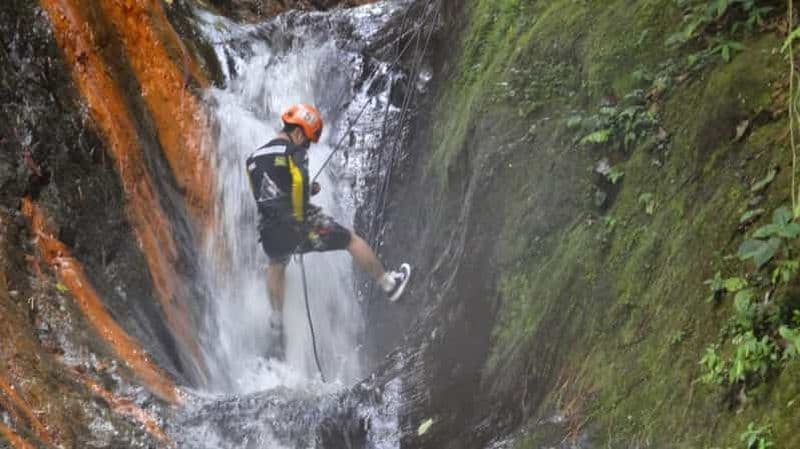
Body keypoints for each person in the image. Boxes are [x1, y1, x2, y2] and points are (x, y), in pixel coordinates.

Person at [246, 103, 411, 359]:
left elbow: (266, 194)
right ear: (299, 132)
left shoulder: (253, 158)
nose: (306, 147)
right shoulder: (294, 151)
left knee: (276, 263)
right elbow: (298, 183)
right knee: (350, 240)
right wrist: (301, 221)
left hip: (270, 232)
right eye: (307, 141)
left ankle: (277, 323)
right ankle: (389, 284)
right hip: (298, 226)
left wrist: (298, 199)